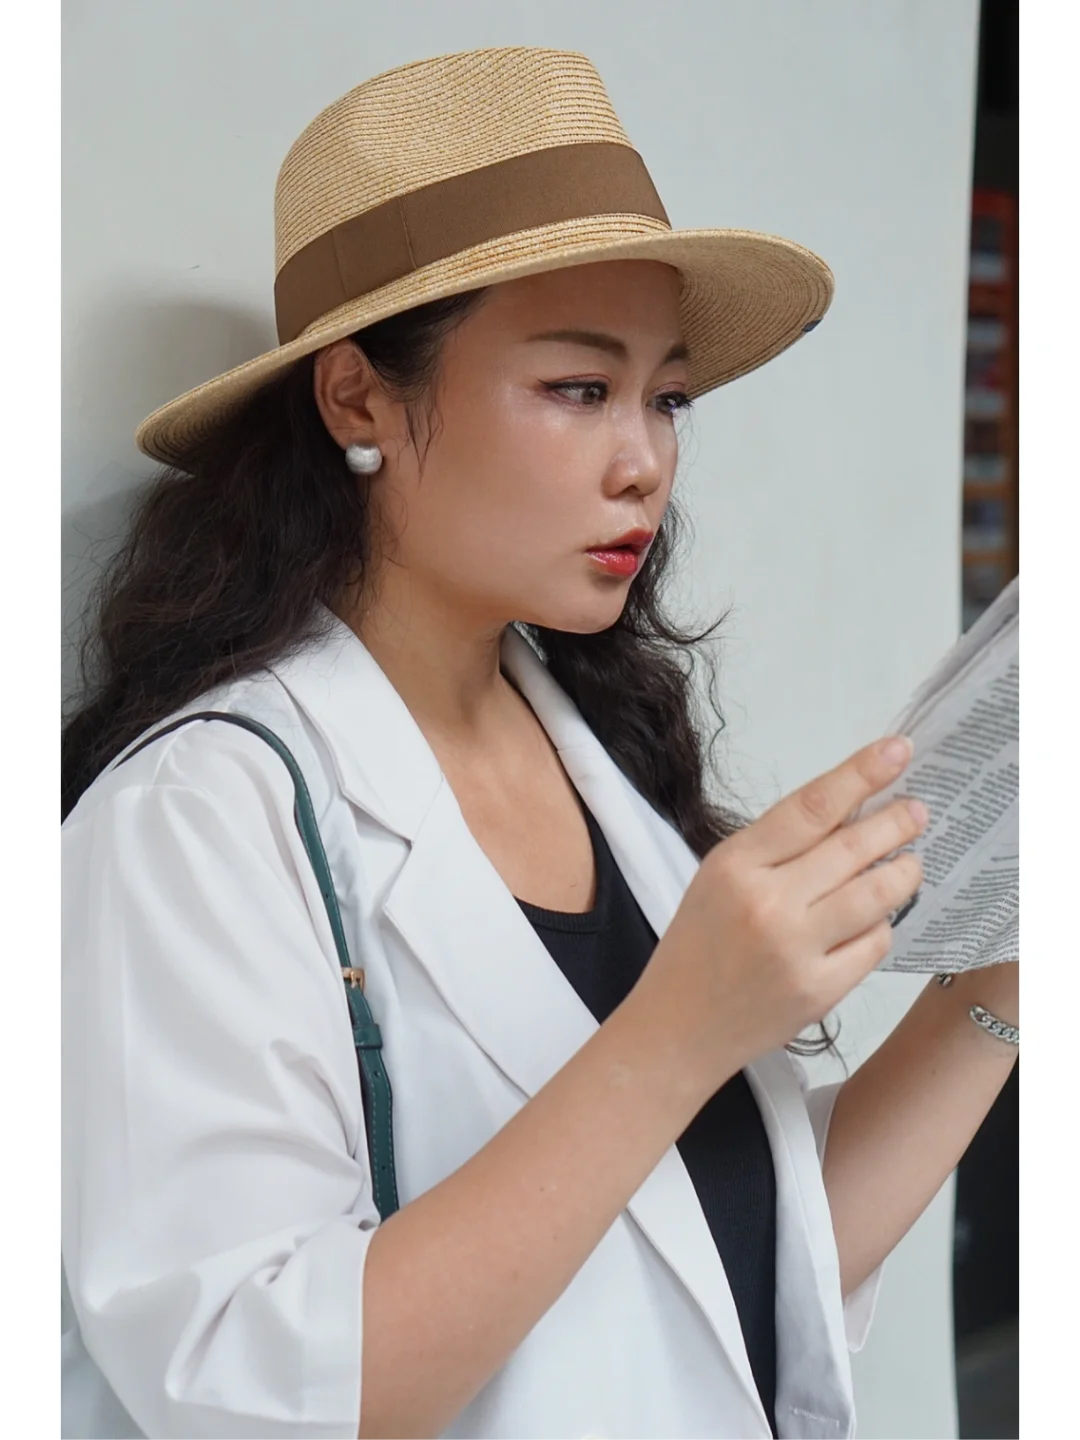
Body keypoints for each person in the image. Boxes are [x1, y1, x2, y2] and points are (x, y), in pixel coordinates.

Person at [60, 45, 1019, 1440]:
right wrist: (680, 1029)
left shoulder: (599, 751)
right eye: (579, 389)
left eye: (668, 398)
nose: (645, 461)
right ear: (355, 398)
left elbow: (755, 1261)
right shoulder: (196, 820)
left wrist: (1014, 955)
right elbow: (253, 1390)